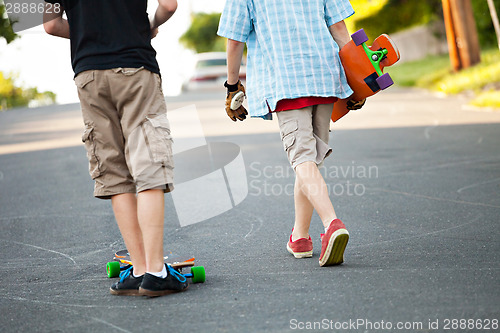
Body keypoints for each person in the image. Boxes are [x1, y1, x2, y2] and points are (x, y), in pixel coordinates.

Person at [43, 0, 188, 296]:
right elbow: (169, 6)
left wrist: (90, 30)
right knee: (149, 165)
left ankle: (138, 268)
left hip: (88, 72)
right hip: (135, 65)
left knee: (114, 171)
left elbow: (50, 25)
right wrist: (145, 26)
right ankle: (157, 272)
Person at [218, 0, 365, 266]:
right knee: (310, 161)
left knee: (303, 159)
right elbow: (339, 28)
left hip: (286, 80)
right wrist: (357, 78)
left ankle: (332, 223)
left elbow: (235, 39)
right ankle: (300, 236)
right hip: (325, 75)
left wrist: (232, 86)